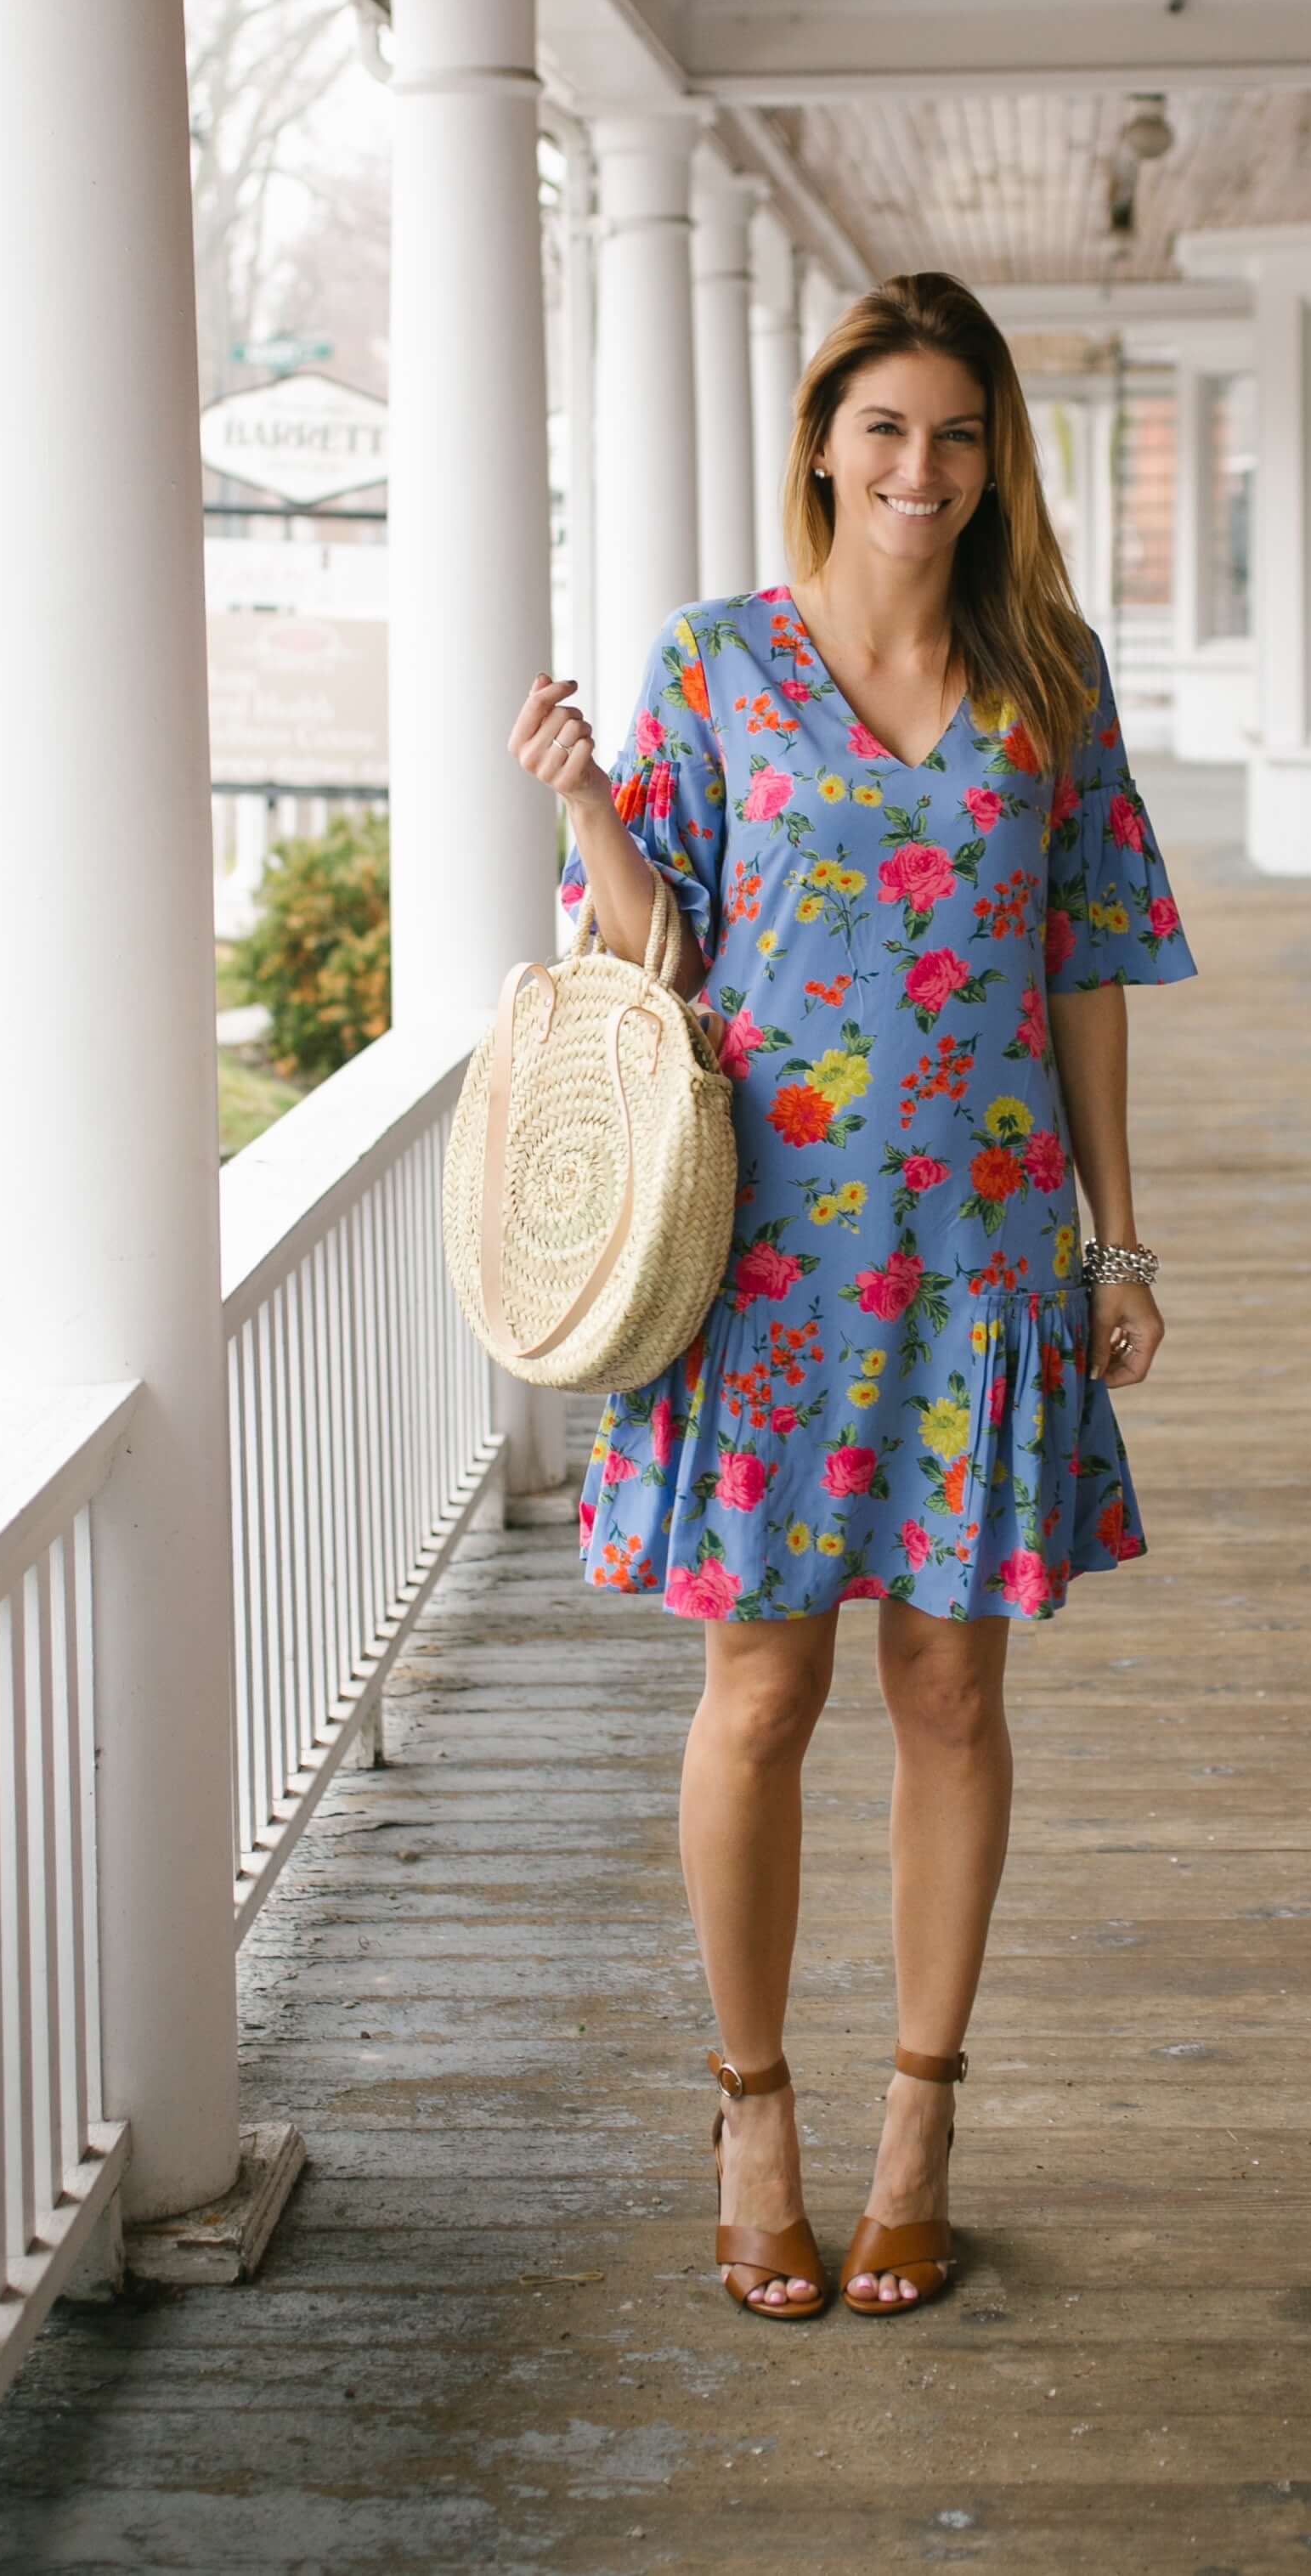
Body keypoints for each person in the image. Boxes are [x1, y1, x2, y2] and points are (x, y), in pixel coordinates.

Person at [506, 271, 1194, 2319]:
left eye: (957, 433)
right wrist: (584, 802)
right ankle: (751, 2111)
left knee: (951, 1694)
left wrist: (1117, 1239)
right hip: (771, 1261)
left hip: (984, 1262)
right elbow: (660, 951)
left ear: (994, 459)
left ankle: (918, 2120)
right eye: (885, 427)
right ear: (822, 442)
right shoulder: (714, 663)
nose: (921, 467)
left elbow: (1084, 965)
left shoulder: (1046, 670)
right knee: (762, 1694)